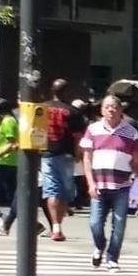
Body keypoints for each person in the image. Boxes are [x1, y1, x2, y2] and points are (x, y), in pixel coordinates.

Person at [81, 96, 138, 272]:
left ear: (120, 110)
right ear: (102, 110)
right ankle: (99, 245)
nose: (111, 110)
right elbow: (87, 158)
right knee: (95, 223)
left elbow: (137, 161)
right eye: (107, 107)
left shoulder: (131, 132)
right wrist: (90, 183)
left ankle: (112, 258)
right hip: (99, 185)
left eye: (115, 107)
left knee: (119, 225)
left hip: (121, 186)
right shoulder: (93, 129)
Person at [40, 80, 85, 241]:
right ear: (67, 92)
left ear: (51, 90)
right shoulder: (73, 111)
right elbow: (78, 137)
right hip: (66, 154)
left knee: (52, 190)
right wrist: (78, 154)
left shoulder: (42, 108)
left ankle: (56, 227)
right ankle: (58, 226)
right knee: (65, 192)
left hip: (47, 153)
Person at [0, 99, 19, 234]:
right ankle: (8, 220)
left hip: (5, 162)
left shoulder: (8, 121)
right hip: (9, 162)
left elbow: (12, 144)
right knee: (14, 195)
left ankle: (0, 218)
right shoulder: (10, 120)